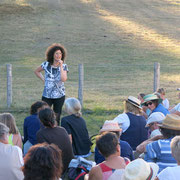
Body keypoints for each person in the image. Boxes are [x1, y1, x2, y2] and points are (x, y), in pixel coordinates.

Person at [34, 43, 68, 125]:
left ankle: (56, 132)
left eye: (60, 53)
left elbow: (63, 79)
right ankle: (45, 130)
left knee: (57, 116)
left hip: (59, 95)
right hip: (47, 95)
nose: (58, 55)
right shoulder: (46, 64)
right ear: (52, 54)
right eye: (56, 53)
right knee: (44, 114)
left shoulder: (64, 66)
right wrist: (44, 79)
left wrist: (60, 66)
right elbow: (36, 71)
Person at [36, 108, 74, 174]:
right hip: (70, 165)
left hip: (57, 168)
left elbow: (44, 155)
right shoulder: (62, 129)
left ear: (41, 120)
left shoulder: (41, 134)